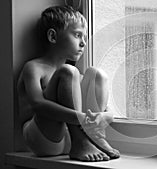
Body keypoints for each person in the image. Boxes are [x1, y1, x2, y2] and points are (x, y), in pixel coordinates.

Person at [17, 5, 120, 162]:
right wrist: (81, 118)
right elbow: (38, 104)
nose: (83, 43)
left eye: (85, 37)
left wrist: (107, 116)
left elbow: (105, 109)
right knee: (68, 72)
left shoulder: (74, 75)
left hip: (68, 138)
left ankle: (92, 138)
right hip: (43, 139)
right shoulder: (34, 67)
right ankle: (81, 141)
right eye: (77, 35)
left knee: (96, 74)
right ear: (53, 36)